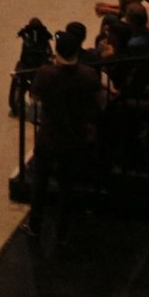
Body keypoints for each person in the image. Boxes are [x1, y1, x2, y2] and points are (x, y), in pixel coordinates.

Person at [27, 30, 101, 241]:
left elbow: (34, 97)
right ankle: (62, 231)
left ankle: (35, 225)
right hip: (74, 137)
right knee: (67, 185)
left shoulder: (45, 73)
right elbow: (97, 103)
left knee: (40, 182)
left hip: (49, 136)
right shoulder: (88, 75)